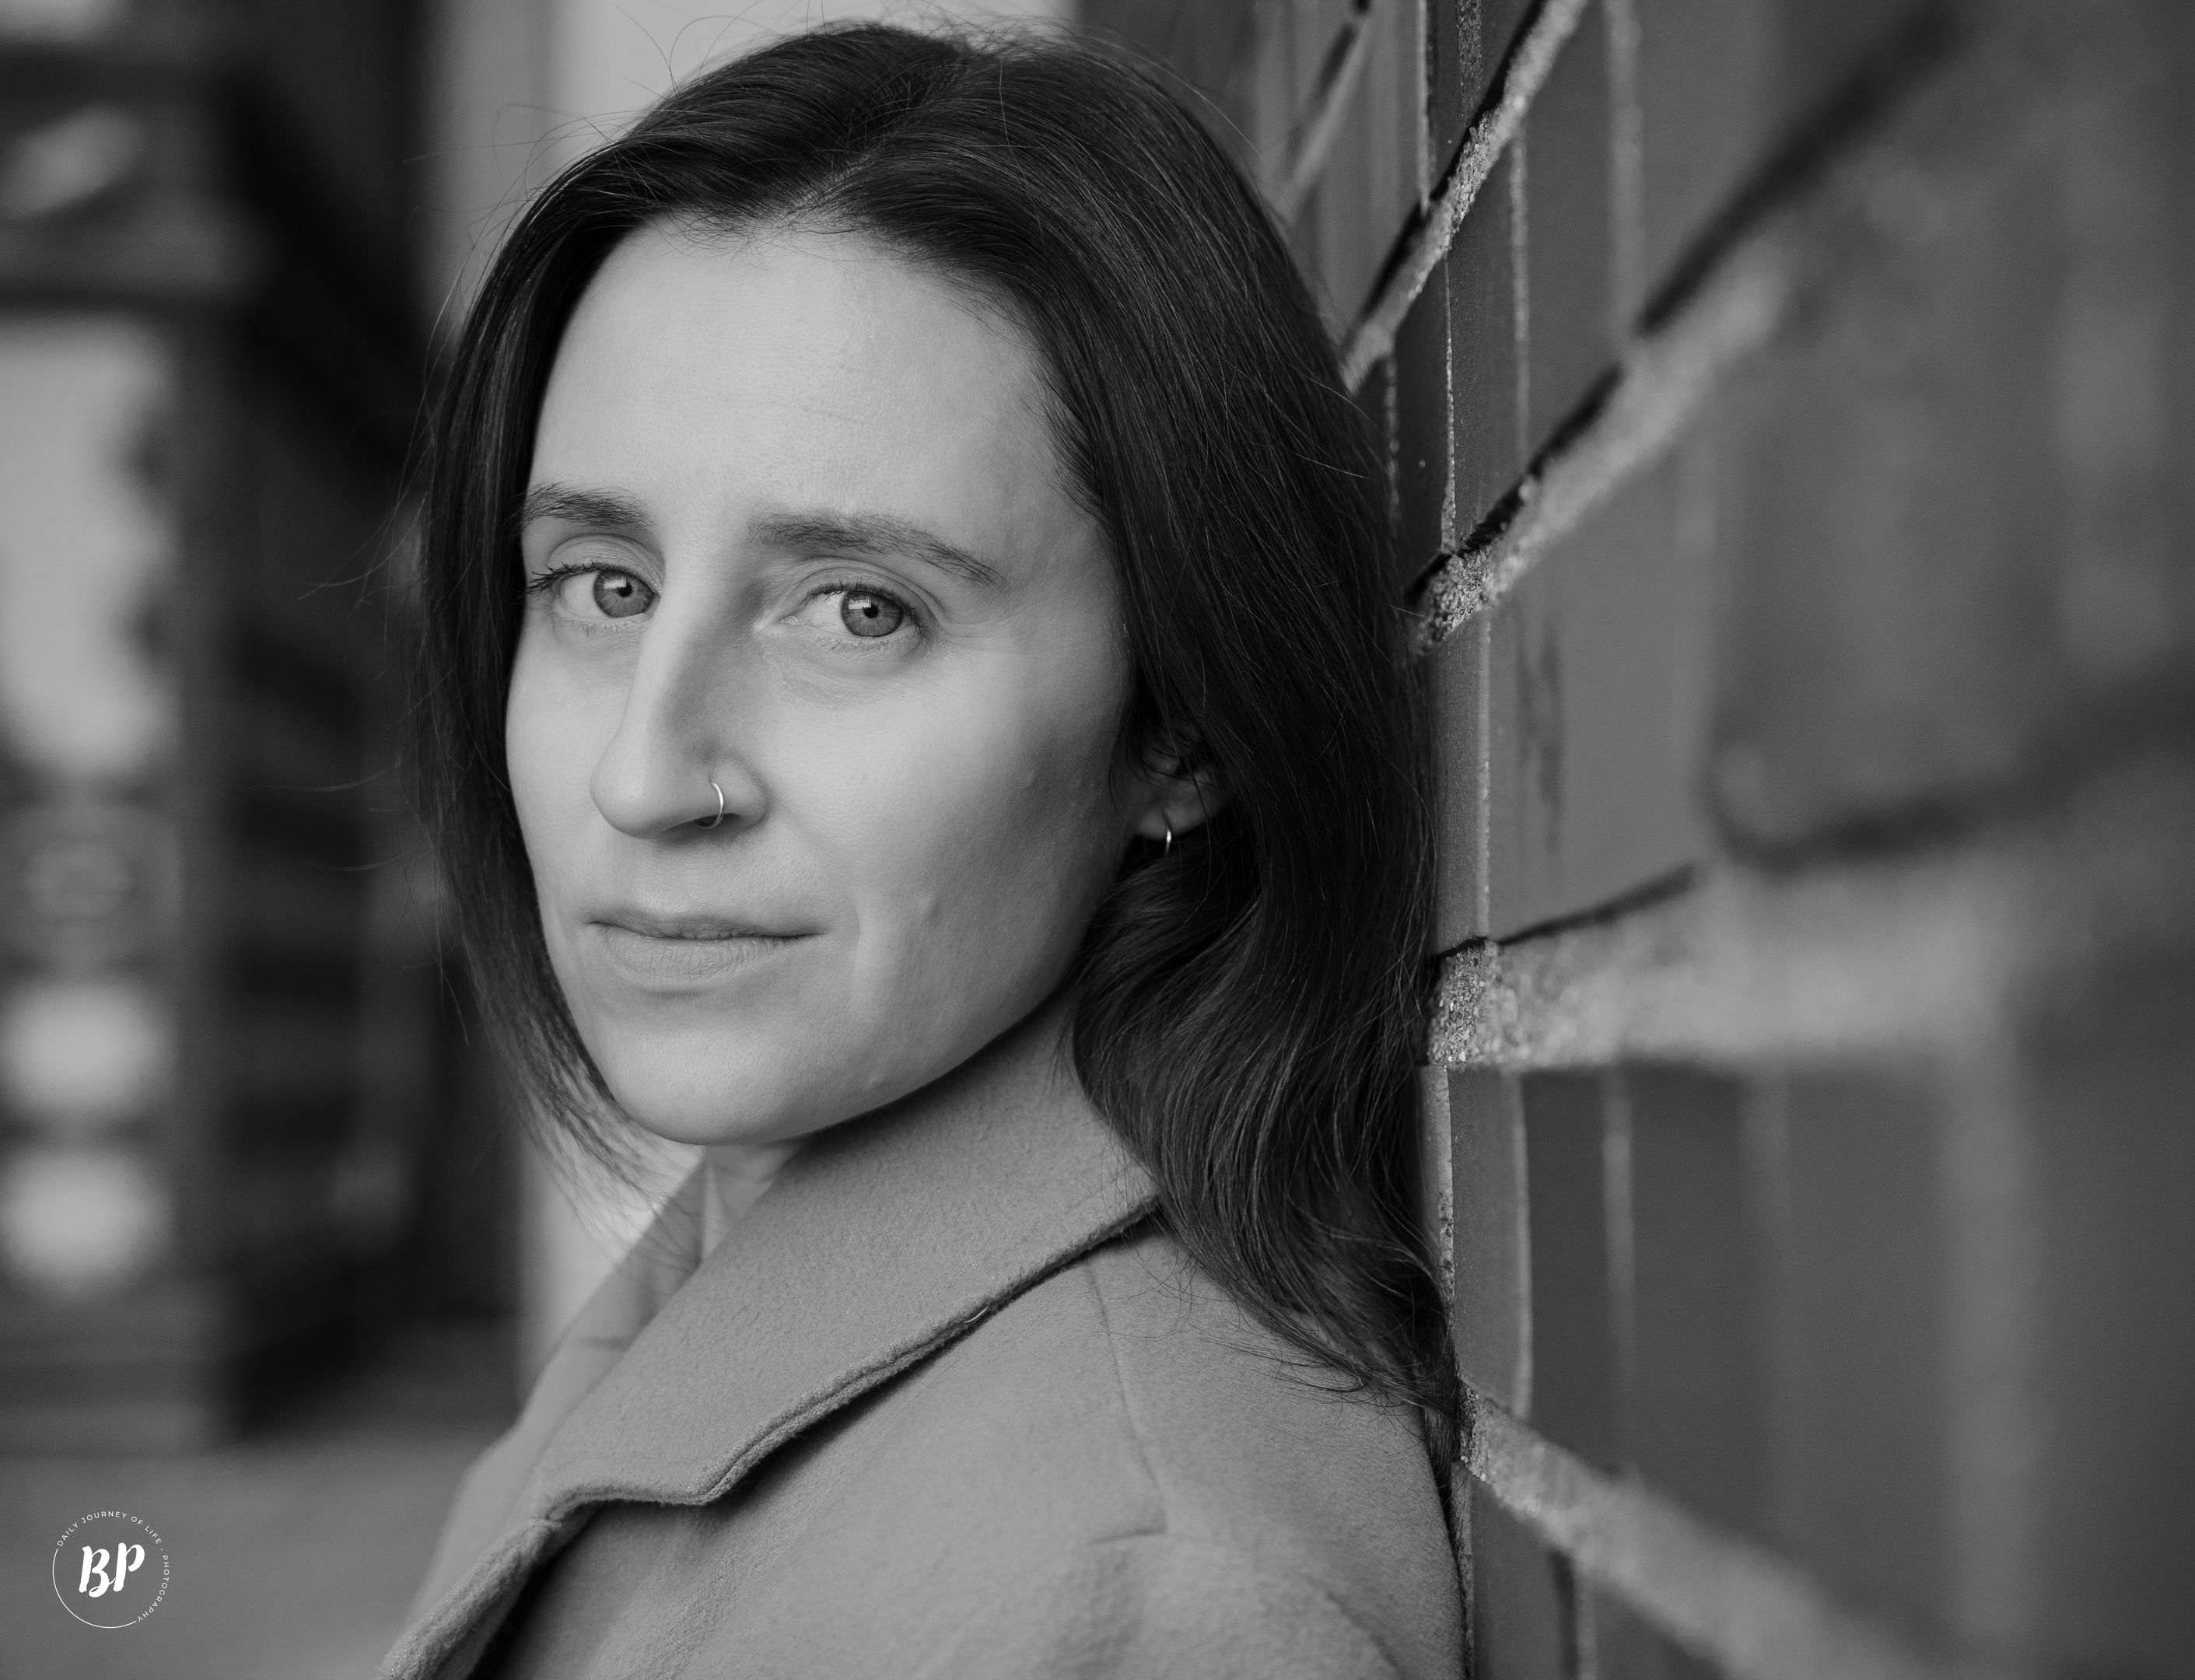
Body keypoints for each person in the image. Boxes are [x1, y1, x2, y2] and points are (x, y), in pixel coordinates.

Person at [380, 19, 1458, 1680]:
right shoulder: (751, 1249)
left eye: (859, 611)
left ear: (1182, 723)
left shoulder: (1137, 1600)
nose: (645, 776)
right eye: (604, 584)